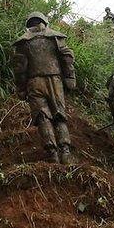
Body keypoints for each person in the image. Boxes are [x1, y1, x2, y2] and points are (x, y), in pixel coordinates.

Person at [13, 12, 76, 164]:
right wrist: (70, 78)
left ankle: (52, 154)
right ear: (45, 22)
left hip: (34, 83)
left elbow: (20, 69)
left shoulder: (23, 42)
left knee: (42, 117)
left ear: (28, 24)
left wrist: (21, 89)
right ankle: (65, 153)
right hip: (55, 81)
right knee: (59, 115)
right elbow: (67, 58)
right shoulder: (55, 37)